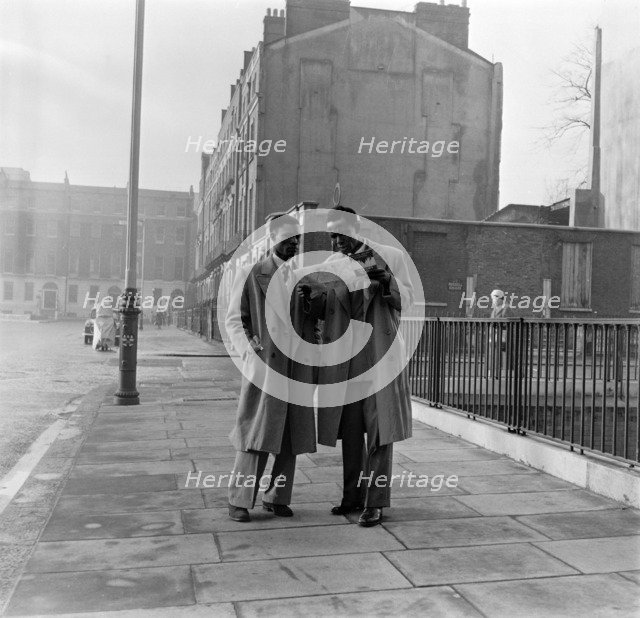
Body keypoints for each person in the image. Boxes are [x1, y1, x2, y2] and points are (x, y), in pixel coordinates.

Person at [316, 206, 414, 527]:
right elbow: (326, 310)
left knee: (380, 433)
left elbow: (409, 300)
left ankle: (376, 502)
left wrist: (386, 281)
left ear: (356, 228)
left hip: (379, 355)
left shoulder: (390, 256)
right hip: (347, 362)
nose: (335, 241)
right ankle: (352, 497)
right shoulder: (330, 266)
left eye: (340, 233)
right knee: (352, 432)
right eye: (330, 235)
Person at [225, 213, 322, 522]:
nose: (295, 244)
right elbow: (234, 320)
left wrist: (312, 305)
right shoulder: (251, 273)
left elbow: (314, 319)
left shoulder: (303, 277)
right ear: (273, 239)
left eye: (298, 239)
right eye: (289, 238)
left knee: (291, 435)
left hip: (296, 368)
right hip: (267, 365)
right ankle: (238, 500)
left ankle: (277, 496)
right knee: (256, 433)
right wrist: (250, 352)